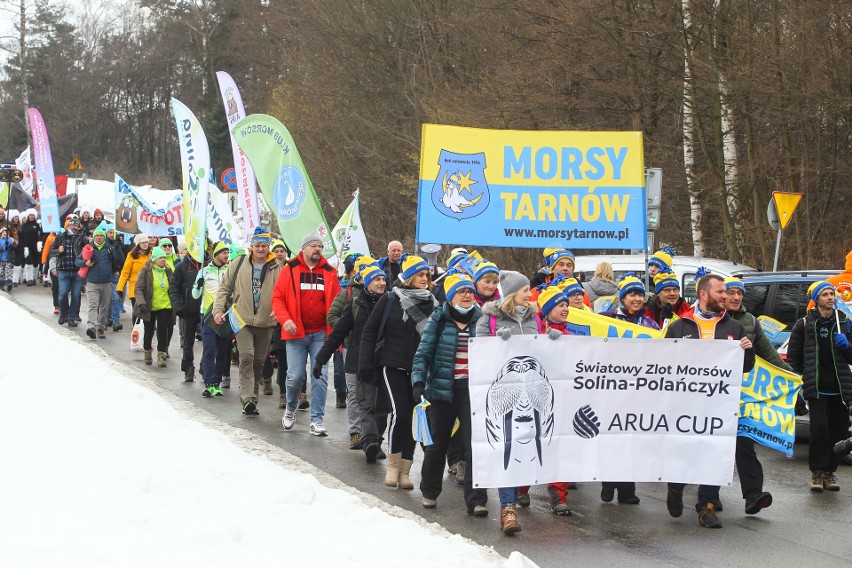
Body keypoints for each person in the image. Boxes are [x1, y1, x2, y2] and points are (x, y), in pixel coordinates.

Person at [664, 273, 755, 529]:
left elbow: (745, 367)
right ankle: (676, 485)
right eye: (721, 292)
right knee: (686, 452)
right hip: (685, 405)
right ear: (703, 295)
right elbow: (663, 366)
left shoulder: (734, 327)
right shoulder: (679, 326)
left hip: (719, 406)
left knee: (715, 452)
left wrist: (749, 350)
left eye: (726, 293)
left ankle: (707, 506)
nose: (726, 296)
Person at [413, 273, 490, 516]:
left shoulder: (483, 320)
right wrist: (417, 381)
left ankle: (477, 500)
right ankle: (429, 491)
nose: (467, 295)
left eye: (470, 291)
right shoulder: (439, 318)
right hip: (442, 390)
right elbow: (423, 353)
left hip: (472, 392)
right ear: (451, 295)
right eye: (461, 291)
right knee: (437, 444)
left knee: (473, 446)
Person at [358, 255, 437, 485]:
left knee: (414, 417)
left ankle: (405, 470)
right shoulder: (391, 299)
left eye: (427, 275)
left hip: (419, 370)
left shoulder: (433, 303)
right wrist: (365, 365)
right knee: (400, 414)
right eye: (420, 275)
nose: (425, 279)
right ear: (410, 277)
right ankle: (392, 466)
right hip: (392, 365)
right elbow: (370, 332)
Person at [476, 270, 542, 535]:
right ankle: (508, 508)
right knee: (508, 447)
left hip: (530, 391)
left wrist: (551, 343)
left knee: (525, 451)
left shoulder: (534, 317)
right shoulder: (489, 317)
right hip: (503, 392)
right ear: (513, 293)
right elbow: (479, 352)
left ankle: (514, 497)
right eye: (526, 290)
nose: (530, 294)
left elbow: (538, 352)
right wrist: (496, 343)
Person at [724, 277, 790, 514]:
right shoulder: (711, 320)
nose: (735, 297)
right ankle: (708, 494)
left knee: (744, 442)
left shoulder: (751, 321)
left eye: (739, 293)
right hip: (711, 395)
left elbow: (769, 354)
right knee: (713, 443)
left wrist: (794, 379)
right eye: (730, 292)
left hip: (742, 395)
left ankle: (753, 494)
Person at [598, 276, 659, 505]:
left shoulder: (650, 325)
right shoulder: (606, 320)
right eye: (632, 294)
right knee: (612, 437)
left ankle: (626, 490)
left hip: (638, 391)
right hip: (611, 389)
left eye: (640, 295)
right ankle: (607, 482)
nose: (637, 299)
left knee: (631, 439)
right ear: (623, 298)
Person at [787, 281, 852, 493]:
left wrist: (848, 345)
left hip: (840, 388)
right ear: (817, 299)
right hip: (817, 388)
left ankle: (830, 472)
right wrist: (796, 384)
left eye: (832, 293)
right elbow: (794, 358)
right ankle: (817, 472)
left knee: (839, 430)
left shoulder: (844, 322)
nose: (830, 297)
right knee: (819, 430)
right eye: (825, 294)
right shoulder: (804, 324)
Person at [314, 264, 387, 450]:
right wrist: (321, 359)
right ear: (368, 283)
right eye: (377, 279)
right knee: (359, 399)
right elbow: (338, 333)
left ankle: (375, 437)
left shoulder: (390, 304)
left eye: (384, 279)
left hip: (382, 362)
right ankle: (359, 435)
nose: (382, 283)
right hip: (357, 359)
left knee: (380, 405)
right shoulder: (355, 304)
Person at [274, 232, 340, 432]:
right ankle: (291, 408)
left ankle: (317, 420)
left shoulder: (330, 272)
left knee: (319, 376)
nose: (317, 249)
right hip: (297, 334)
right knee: (295, 376)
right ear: (303, 249)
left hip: (321, 333)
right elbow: (277, 298)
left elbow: (337, 303)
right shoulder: (290, 269)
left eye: (320, 246)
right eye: (313, 246)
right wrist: (285, 320)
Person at [214, 227, 282, 416]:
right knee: (246, 356)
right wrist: (218, 310)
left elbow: (284, 293)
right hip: (242, 319)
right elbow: (224, 288)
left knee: (259, 361)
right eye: (257, 245)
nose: (260, 249)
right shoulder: (239, 262)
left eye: (264, 246)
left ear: (268, 247)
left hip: (266, 321)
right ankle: (247, 399)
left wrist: (280, 311)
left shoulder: (278, 266)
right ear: (251, 246)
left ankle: (253, 395)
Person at [194, 241, 231, 398]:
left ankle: (216, 383)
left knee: (222, 351)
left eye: (228, 252)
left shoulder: (230, 271)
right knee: (210, 349)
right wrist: (198, 286)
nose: (227, 255)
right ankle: (209, 383)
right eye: (224, 252)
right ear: (216, 255)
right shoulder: (204, 271)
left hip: (224, 315)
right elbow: (195, 295)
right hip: (208, 316)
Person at [77, 227, 123, 339]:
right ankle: (91, 327)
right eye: (97, 235)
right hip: (92, 282)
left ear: (104, 237)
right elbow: (77, 261)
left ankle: (101, 328)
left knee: (104, 307)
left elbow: (120, 260)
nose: (99, 237)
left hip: (107, 282)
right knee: (93, 305)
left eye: (101, 235)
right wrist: (85, 263)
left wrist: (117, 247)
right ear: (93, 237)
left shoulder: (109, 248)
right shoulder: (89, 248)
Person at [134, 246, 175, 366]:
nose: (163, 259)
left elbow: (172, 288)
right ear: (154, 259)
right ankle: (147, 351)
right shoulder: (146, 271)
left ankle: (161, 356)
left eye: (164, 257)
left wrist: (175, 303)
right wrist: (141, 303)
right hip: (149, 306)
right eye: (161, 257)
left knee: (163, 331)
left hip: (165, 306)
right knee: (149, 331)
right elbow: (139, 288)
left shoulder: (168, 271)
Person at [170, 247, 202, 382]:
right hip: (189, 310)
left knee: (209, 343)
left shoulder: (208, 265)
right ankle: (188, 368)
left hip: (205, 310)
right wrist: (178, 307)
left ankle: (205, 368)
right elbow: (174, 288)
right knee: (188, 342)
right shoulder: (182, 266)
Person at [52, 216, 88, 327]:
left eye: (77, 225)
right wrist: (58, 250)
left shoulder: (81, 237)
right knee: (62, 294)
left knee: (76, 295)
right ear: (68, 225)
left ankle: (72, 317)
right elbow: (51, 251)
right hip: (63, 270)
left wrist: (87, 240)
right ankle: (63, 313)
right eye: (73, 225)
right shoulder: (60, 237)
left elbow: (88, 247)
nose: (75, 227)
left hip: (77, 271)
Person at [117, 234, 152, 312]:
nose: (145, 244)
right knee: (137, 314)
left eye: (146, 242)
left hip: (149, 288)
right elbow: (125, 273)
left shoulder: (152, 254)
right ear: (138, 244)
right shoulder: (132, 255)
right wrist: (120, 288)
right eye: (143, 242)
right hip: (135, 289)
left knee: (149, 314)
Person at [103, 224, 126, 331]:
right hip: (105, 276)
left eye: (113, 232)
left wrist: (117, 248)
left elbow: (121, 260)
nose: (112, 234)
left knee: (115, 298)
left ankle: (116, 321)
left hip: (115, 275)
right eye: (110, 232)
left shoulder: (118, 244)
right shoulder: (103, 244)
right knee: (106, 300)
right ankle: (108, 319)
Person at [17, 209, 42, 286]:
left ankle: (34, 278)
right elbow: (21, 237)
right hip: (27, 247)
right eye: (30, 215)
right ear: (28, 216)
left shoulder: (37, 225)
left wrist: (39, 242)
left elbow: (40, 235)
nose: (31, 217)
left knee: (35, 263)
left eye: (33, 215)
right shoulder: (24, 226)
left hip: (35, 246)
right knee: (28, 262)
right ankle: (29, 279)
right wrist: (24, 246)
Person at [0, 226, 16, 291]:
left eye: (6, 232)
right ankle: (1, 284)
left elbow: (15, 247)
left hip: (9, 258)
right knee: (2, 272)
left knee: (8, 270)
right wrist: (3, 248)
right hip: (2, 259)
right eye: (3, 232)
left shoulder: (11, 239)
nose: (4, 233)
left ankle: (9, 283)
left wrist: (9, 244)